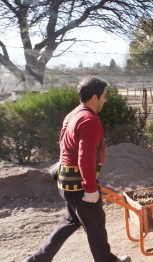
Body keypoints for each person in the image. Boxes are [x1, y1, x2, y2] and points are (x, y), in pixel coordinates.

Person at [27, 77, 130, 262]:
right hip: (80, 185)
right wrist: (90, 188)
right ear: (93, 97)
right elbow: (86, 157)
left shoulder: (73, 114)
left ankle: (37, 260)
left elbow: (62, 141)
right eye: (104, 96)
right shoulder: (90, 120)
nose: (105, 99)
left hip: (66, 182)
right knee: (96, 225)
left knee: (70, 221)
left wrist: (63, 164)